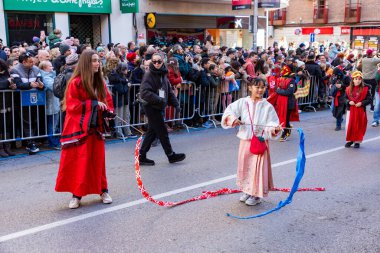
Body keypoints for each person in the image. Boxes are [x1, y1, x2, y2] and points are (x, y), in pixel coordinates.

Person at [55, 50, 115, 209]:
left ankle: (103, 190)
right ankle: (76, 195)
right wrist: (93, 105)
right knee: (80, 162)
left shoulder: (100, 81)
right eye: (94, 61)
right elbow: (72, 106)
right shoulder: (75, 82)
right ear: (86, 63)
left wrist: (109, 112)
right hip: (80, 129)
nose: (97, 63)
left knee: (98, 160)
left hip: (96, 128)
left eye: (98, 61)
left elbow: (107, 100)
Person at [221, 77, 282, 206]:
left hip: (259, 141)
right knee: (245, 167)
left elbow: (272, 122)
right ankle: (247, 190)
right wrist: (233, 119)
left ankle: (256, 195)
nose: (260, 90)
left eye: (262, 87)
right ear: (250, 88)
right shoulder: (243, 102)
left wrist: (274, 129)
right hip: (245, 140)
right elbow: (229, 111)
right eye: (257, 87)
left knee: (257, 168)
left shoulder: (267, 106)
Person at [138, 53, 186, 166]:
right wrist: (159, 99)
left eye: (159, 61)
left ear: (163, 61)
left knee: (152, 132)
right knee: (162, 132)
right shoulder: (149, 74)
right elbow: (144, 92)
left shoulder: (163, 74)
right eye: (154, 62)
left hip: (158, 106)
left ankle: (142, 155)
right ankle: (170, 155)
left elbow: (169, 91)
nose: (156, 64)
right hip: (151, 106)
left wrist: (176, 104)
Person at [345, 71, 372, 149]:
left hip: (360, 110)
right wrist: (349, 101)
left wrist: (362, 103)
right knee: (350, 125)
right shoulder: (348, 89)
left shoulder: (366, 88)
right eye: (356, 79)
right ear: (353, 80)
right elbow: (344, 98)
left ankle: (357, 141)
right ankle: (350, 140)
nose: (358, 80)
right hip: (351, 110)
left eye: (359, 79)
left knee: (359, 125)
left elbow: (369, 99)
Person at [39, 60, 61, 149]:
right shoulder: (46, 77)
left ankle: (53, 141)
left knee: (54, 124)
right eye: (50, 66)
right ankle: (52, 143)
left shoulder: (50, 76)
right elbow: (54, 87)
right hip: (51, 104)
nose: (52, 67)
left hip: (54, 103)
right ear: (45, 68)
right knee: (52, 124)